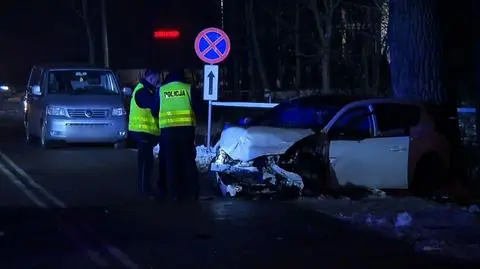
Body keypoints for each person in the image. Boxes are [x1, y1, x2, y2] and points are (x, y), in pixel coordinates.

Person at [152, 69, 201, 201]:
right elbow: (199, 109)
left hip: (167, 133)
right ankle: (192, 193)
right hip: (186, 132)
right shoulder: (188, 88)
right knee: (188, 161)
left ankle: (174, 194)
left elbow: (154, 110)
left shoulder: (162, 90)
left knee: (171, 162)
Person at [128, 69, 161, 199]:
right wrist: (159, 94)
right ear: (150, 78)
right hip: (142, 132)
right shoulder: (142, 91)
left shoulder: (147, 90)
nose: (159, 83)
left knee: (147, 162)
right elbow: (154, 108)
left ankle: (146, 190)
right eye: (157, 80)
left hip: (146, 132)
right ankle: (144, 191)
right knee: (145, 163)